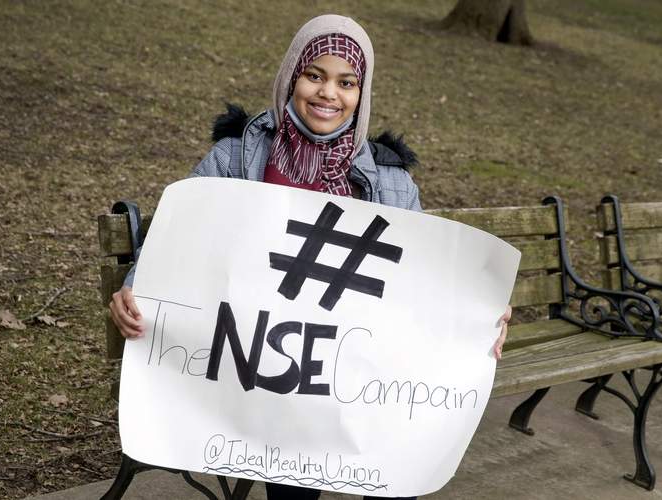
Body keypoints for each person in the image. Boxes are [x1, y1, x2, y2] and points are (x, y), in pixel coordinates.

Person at [109, 14, 511, 500]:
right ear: (290, 76)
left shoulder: (391, 183)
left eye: (347, 83)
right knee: (293, 466)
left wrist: (481, 317)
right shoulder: (237, 158)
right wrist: (136, 285)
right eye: (314, 75)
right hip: (261, 363)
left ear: (362, 95)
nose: (328, 94)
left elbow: (424, 280)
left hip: (359, 364)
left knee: (391, 459)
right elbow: (180, 241)